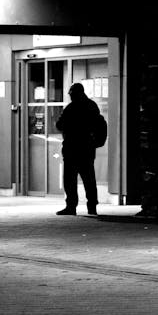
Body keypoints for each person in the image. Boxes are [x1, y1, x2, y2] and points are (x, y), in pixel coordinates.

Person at [55, 82, 103, 216]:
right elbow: (98, 124)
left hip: (72, 149)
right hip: (87, 149)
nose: (70, 96)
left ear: (75, 94)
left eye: (71, 94)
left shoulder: (71, 108)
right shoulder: (91, 106)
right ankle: (92, 207)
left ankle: (71, 206)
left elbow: (60, 125)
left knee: (70, 180)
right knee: (89, 179)